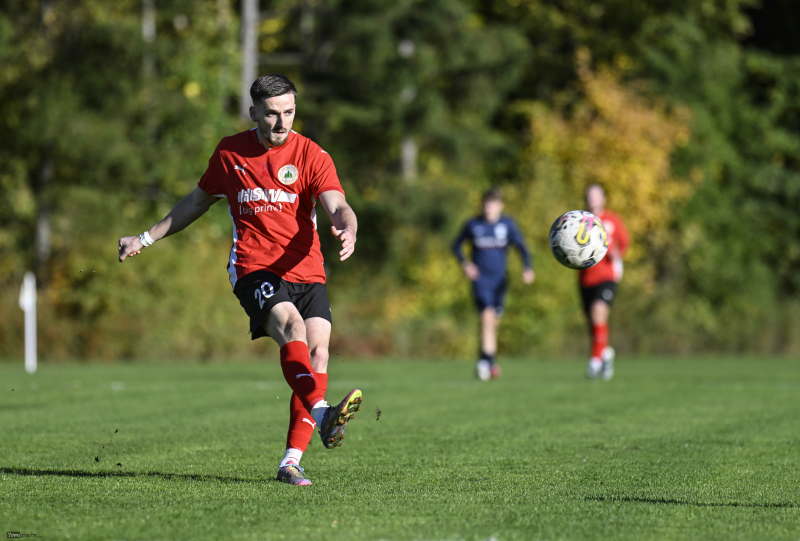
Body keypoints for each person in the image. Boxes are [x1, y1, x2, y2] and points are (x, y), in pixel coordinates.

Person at [118, 74, 362, 486]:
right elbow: (196, 202)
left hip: (308, 271)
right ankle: (323, 415)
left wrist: (347, 227)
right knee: (292, 327)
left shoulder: (312, 155)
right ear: (254, 113)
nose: (282, 122)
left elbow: (337, 204)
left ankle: (290, 462)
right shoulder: (230, 153)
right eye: (272, 114)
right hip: (254, 268)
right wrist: (144, 237)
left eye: (289, 112)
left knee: (318, 356)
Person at [452, 188, 534, 381]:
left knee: (494, 323)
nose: (489, 208)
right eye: (486, 204)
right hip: (481, 281)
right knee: (487, 318)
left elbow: (522, 248)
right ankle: (485, 363)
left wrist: (527, 268)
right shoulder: (473, 224)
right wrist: (466, 264)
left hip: (500, 282)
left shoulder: (508, 225)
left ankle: (488, 360)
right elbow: (455, 246)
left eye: (493, 204)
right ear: (482, 205)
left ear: (500, 206)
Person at [580, 183, 629, 380]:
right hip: (586, 277)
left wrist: (619, 252)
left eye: (596, 195)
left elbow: (625, 241)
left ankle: (594, 361)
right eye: (589, 195)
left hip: (607, 275)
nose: (592, 199)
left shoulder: (612, 219)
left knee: (598, 312)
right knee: (593, 323)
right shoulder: (580, 220)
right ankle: (605, 354)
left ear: (603, 199)